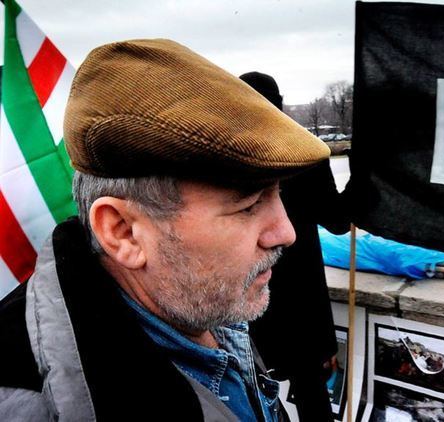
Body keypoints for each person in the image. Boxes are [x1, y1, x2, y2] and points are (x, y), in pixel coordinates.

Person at [0, 39, 331, 421]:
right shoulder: (26, 405)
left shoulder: (203, 304)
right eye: (248, 204)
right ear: (123, 232)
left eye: (278, 196)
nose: (286, 232)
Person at [238, 71, 349, 421]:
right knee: (313, 397)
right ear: (281, 104)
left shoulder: (228, 157)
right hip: (302, 301)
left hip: (249, 294)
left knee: (252, 393)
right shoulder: (304, 152)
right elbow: (338, 221)